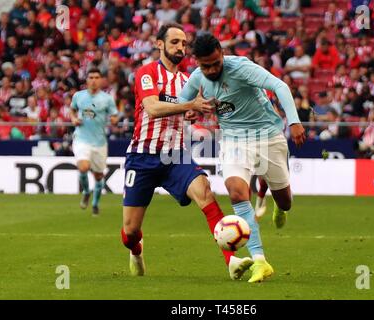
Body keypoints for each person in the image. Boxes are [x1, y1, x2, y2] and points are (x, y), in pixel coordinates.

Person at [121, 23, 253, 280]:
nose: (180, 47)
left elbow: (188, 114)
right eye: (174, 42)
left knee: (206, 194)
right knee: (130, 231)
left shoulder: (187, 80)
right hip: (142, 156)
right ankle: (136, 250)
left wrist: (192, 112)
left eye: (183, 43)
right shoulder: (147, 73)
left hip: (175, 156)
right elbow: (152, 108)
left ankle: (232, 261)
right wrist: (189, 105)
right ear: (160, 44)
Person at [179, 34, 306, 283]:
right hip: (235, 140)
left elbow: (279, 86)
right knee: (237, 192)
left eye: (216, 63)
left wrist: (294, 121)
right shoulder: (197, 78)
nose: (212, 69)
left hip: (268, 136)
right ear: (197, 63)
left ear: (221, 54)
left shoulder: (242, 67)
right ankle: (260, 260)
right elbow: (183, 103)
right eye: (206, 66)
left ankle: (280, 208)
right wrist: (191, 109)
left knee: (286, 200)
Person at [70, 68, 119, 215]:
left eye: (96, 77)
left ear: (101, 80)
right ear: (86, 80)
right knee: (83, 167)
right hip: (81, 138)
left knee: (98, 176)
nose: (93, 80)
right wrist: (73, 119)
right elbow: (72, 110)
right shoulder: (78, 96)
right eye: (90, 77)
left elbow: (115, 115)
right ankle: (86, 191)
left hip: (99, 141)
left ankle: (95, 204)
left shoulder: (107, 99)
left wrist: (113, 120)